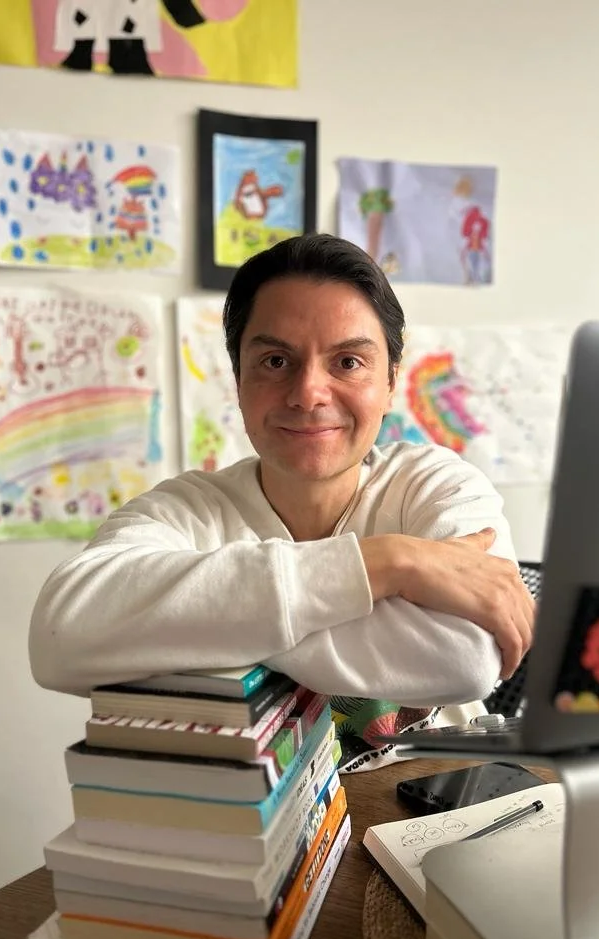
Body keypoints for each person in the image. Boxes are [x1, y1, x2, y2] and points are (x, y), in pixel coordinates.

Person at [29, 233, 535, 772]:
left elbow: (467, 656)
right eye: (275, 360)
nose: (308, 393)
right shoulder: (186, 512)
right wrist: (389, 563)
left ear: (390, 382)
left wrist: (196, 627)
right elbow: (62, 635)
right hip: (253, 814)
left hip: (441, 800)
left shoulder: (435, 485)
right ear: (239, 381)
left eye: (348, 362)